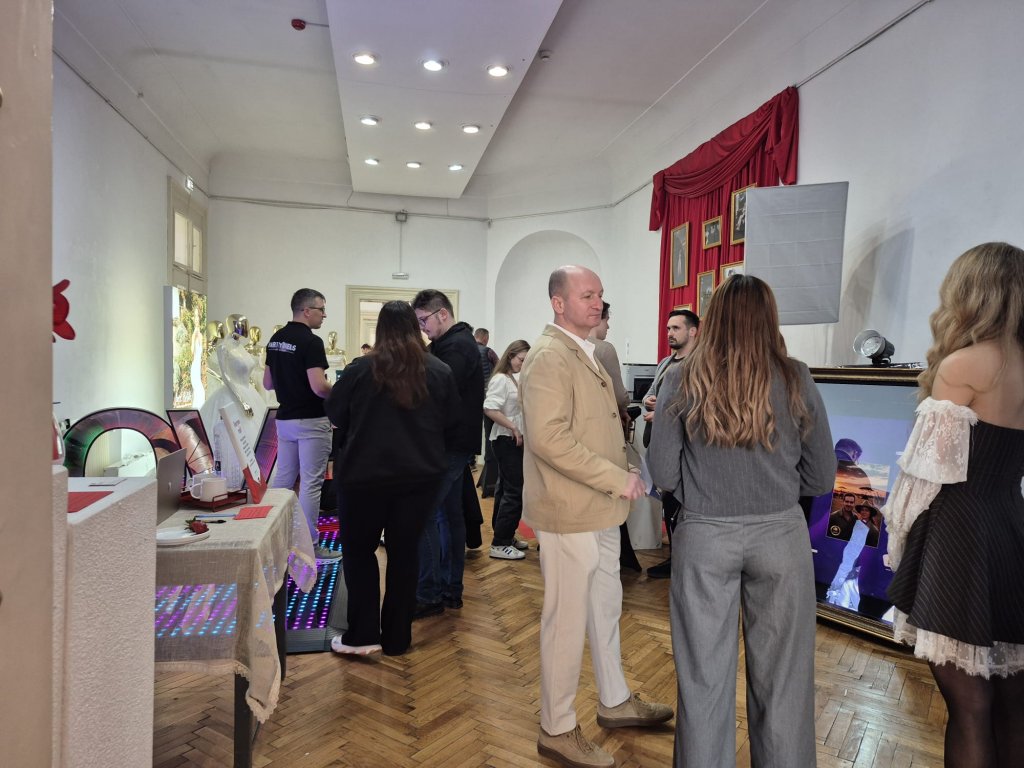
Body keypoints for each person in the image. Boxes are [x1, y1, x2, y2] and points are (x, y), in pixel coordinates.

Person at [649, 274, 835, 768]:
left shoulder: (682, 377)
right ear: (769, 318)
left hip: (704, 535)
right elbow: (820, 475)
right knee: (784, 681)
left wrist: (700, 495)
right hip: (781, 538)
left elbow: (663, 471)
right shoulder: (795, 376)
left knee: (703, 679)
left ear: (714, 320)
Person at [522, 265, 672, 768]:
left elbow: (598, 428)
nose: (597, 303)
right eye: (586, 295)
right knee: (565, 621)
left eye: (600, 295)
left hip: (599, 507)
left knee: (605, 608)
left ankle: (614, 699)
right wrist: (614, 476)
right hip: (569, 510)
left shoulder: (583, 350)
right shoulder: (549, 355)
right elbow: (549, 439)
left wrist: (624, 466)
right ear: (558, 303)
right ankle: (556, 727)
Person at [883, 242, 1024, 768]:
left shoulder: (964, 364)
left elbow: (923, 478)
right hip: (1009, 526)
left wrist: (898, 543)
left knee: (969, 708)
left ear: (968, 293)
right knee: (1013, 703)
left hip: (957, 536)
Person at [324, 301, 459, 657]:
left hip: (364, 477)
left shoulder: (360, 369)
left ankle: (363, 634)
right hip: (419, 478)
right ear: (415, 327)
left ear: (380, 330)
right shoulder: (439, 370)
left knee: (359, 553)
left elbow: (335, 413)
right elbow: (451, 421)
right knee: (404, 554)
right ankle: (398, 638)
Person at [413, 289, 484, 617]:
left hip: (448, 445)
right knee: (449, 516)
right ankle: (450, 589)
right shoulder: (451, 344)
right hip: (452, 444)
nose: (422, 328)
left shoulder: (457, 346)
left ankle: (430, 593)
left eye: (423, 320)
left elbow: (437, 392)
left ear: (442, 314)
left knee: (424, 515)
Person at [263, 289, 340, 562]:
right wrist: (340, 392)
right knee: (310, 483)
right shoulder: (311, 341)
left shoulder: (275, 340)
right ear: (306, 311)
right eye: (321, 309)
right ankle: (310, 547)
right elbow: (319, 387)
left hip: (285, 420)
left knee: (283, 480)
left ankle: (272, 541)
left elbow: (267, 383)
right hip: (311, 420)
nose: (324, 315)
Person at [642, 309, 699, 579]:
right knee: (667, 503)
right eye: (668, 329)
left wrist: (663, 413)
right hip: (658, 442)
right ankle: (674, 557)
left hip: (684, 447)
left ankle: (684, 560)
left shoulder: (699, 364)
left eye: (676, 328)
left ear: (693, 331)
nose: (670, 334)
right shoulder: (665, 363)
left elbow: (696, 406)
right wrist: (649, 401)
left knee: (681, 506)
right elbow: (651, 393)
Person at [590, 301, 642, 572]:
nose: (608, 326)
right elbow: (620, 395)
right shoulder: (604, 348)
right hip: (605, 431)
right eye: (607, 320)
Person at [483, 339, 530, 560]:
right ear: (510, 356)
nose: (523, 364)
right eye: (521, 359)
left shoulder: (511, 378)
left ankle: (505, 535)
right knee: (514, 491)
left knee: (505, 488)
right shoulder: (501, 379)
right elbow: (490, 408)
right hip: (505, 439)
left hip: (511, 440)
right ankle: (500, 543)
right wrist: (514, 427)